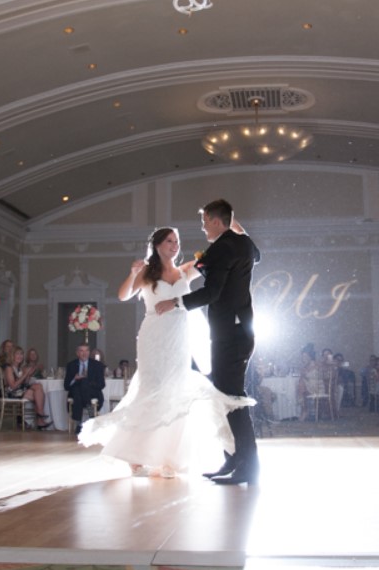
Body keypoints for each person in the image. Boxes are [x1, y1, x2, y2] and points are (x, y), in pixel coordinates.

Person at [81, 226, 251, 476]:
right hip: (153, 336)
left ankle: (168, 457)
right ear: (158, 245)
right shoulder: (148, 273)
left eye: (177, 241)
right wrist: (132, 273)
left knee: (175, 393)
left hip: (179, 338)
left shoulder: (184, 271)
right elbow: (123, 295)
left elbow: (215, 255)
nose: (175, 245)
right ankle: (135, 457)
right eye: (170, 241)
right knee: (151, 391)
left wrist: (233, 226)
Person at [155, 200, 261, 485]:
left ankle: (248, 466)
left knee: (233, 400)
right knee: (227, 399)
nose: (202, 228)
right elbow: (258, 254)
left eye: (204, 222)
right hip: (239, 332)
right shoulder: (244, 245)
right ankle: (235, 459)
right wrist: (236, 226)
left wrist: (174, 302)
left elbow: (211, 293)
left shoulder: (222, 248)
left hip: (229, 335)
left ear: (216, 221)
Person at [4, 346, 52, 428]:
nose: (20, 356)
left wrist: (28, 376)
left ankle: (39, 417)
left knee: (38, 387)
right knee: (38, 392)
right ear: (12, 356)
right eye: (17, 354)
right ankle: (40, 417)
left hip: (21, 391)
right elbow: (13, 386)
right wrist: (25, 374)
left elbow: (24, 383)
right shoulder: (9, 368)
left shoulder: (18, 368)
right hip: (13, 393)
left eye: (21, 354)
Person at [65, 343, 105, 435]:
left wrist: (87, 382)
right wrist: (74, 379)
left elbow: (101, 385)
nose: (84, 353)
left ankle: (79, 424)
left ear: (89, 352)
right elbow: (66, 386)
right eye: (81, 351)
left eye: (86, 350)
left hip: (93, 392)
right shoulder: (71, 365)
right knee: (78, 391)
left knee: (83, 384)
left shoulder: (97, 365)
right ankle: (91, 416)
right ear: (77, 353)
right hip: (77, 393)